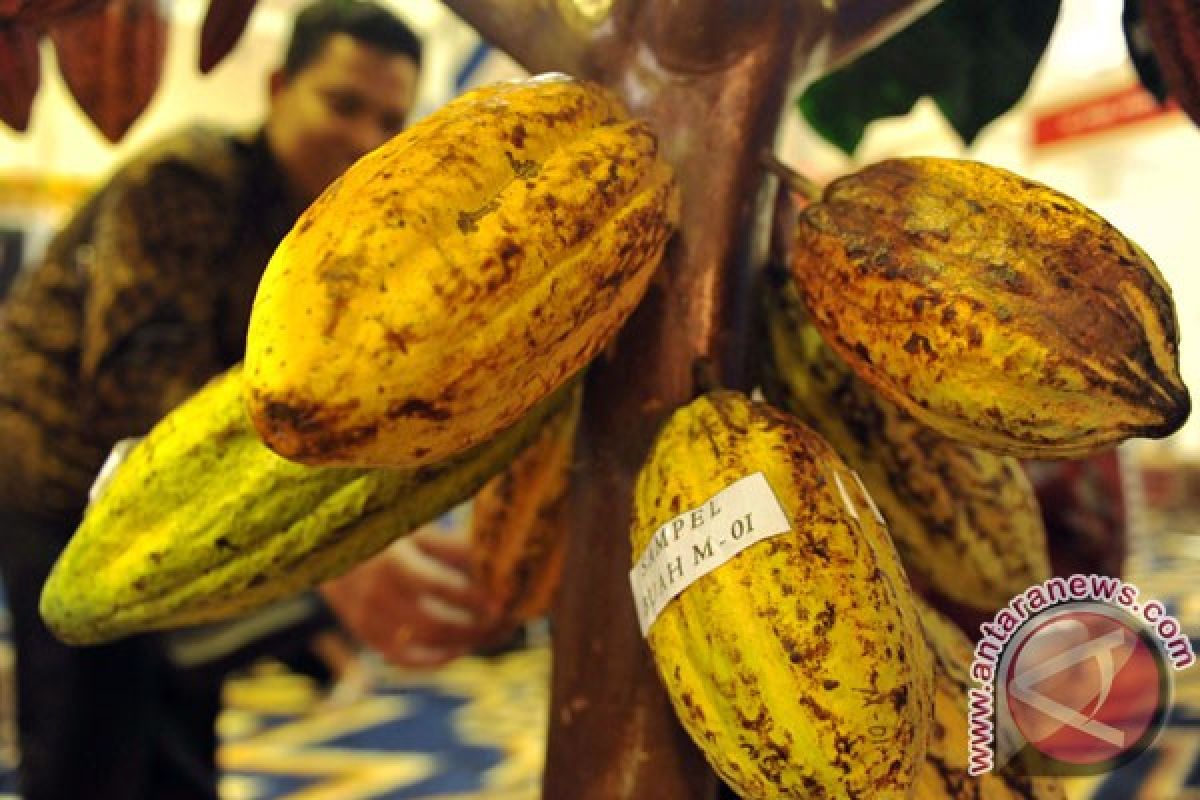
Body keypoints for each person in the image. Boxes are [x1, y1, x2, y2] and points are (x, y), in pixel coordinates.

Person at [0, 3, 504, 798]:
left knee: (181, 722)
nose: (364, 139)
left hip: (172, 496)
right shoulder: (188, 179)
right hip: (61, 484)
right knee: (88, 739)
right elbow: (137, 382)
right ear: (276, 87)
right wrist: (317, 540)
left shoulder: (325, 232)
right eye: (343, 104)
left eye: (389, 119)